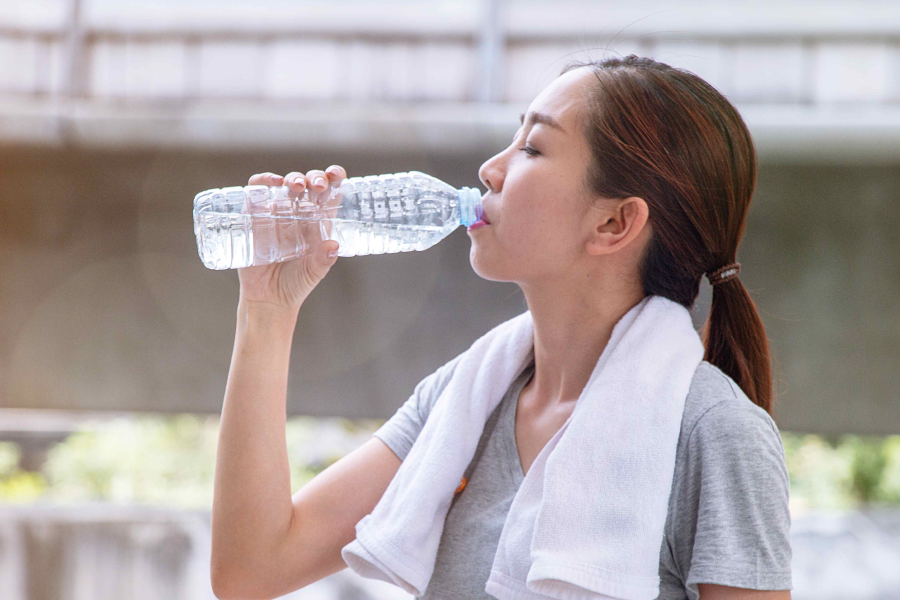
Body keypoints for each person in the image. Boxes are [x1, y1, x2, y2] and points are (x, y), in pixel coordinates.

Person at [209, 55, 793, 600]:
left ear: (614, 223)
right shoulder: (464, 401)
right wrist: (267, 308)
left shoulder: (714, 433)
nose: (491, 169)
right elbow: (252, 568)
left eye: (534, 149)